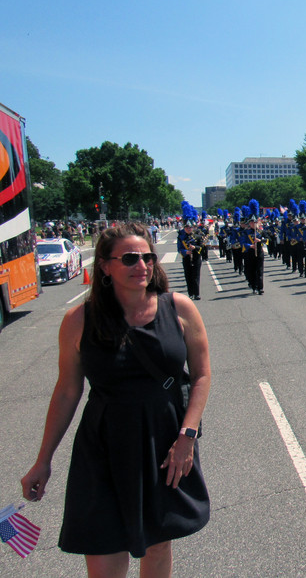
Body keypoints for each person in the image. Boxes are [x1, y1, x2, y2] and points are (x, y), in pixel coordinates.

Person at [21, 222, 210, 577]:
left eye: (147, 257)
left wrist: (188, 435)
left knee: (157, 545)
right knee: (104, 552)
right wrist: (42, 461)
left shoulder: (179, 308)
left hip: (164, 439)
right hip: (104, 444)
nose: (142, 265)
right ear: (105, 266)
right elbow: (67, 390)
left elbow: (201, 375)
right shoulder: (79, 320)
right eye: (129, 258)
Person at [177, 220, 202, 300]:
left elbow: (202, 247)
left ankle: (197, 294)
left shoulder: (197, 236)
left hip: (196, 258)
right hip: (187, 258)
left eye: (190, 227)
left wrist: (195, 248)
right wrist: (185, 252)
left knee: (196, 276)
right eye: (187, 227)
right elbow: (179, 248)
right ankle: (190, 293)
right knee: (188, 276)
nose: (188, 229)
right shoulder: (181, 237)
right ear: (184, 228)